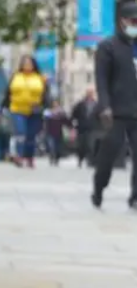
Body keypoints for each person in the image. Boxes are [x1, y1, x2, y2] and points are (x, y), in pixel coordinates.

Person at [93, 0, 137, 209]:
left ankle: (135, 196)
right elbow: (101, 80)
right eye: (133, 21)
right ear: (122, 21)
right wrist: (105, 106)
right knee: (109, 154)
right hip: (116, 111)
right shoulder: (108, 46)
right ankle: (99, 188)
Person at [0, 55, 49, 169]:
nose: (27, 65)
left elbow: (46, 94)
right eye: (25, 63)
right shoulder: (16, 77)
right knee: (21, 132)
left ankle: (29, 158)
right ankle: (19, 156)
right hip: (17, 109)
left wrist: (44, 105)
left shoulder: (40, 78)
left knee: (31, 136)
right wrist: (2, 108)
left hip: (34, 110)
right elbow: (8, 93)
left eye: (29, 63)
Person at [70, 87, 98, 168]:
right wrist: (73, 124)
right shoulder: (80, 104)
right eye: (88, 93)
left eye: (91, 93)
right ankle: (80, 160)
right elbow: (74, 114)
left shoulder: (96, 104)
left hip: (92, 128)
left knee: (91, 145)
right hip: (81, 128)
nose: (90, 94)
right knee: (81, 145)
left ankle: (91, 161)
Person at [44, 100, 69, 166]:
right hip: (50, 131)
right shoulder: (48, 111)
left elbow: (66, 120)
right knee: (51, 146)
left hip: (58, 132)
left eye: (56, 104)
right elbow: (45, 120)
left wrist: (70, 127)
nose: (55, 105)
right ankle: (52, 157)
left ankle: (57, 159)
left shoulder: (61, 112)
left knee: (58, 147)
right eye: (54, 103)